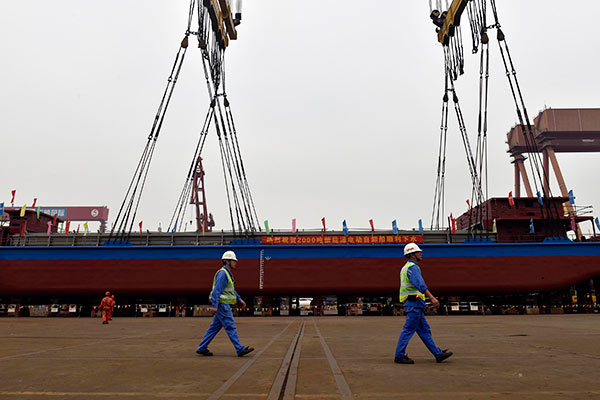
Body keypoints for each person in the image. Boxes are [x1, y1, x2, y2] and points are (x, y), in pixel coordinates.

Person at [395, 243, 453, 364]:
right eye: (418, 252)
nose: (421, 254)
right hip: (413, 304)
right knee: (408, 330)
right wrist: (432, 298)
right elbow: (420, 285)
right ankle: (399, 356)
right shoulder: (412, 267)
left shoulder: (405, 267)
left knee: (424, 330)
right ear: (412, 255)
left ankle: (438, 354)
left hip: (414, 304)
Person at [196, 251, 254, 357]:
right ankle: (239, 349)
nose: (236, 263)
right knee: (230, 326)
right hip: (223, 305)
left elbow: (231, 290)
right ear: (227, 261)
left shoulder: (228, 273)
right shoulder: (223, 273)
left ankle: (202, 348)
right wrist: (214, 306)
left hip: (223, 305)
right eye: (234, 261)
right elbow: (216, 291)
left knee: (214, 328)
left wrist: (239, 299)